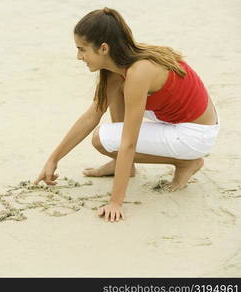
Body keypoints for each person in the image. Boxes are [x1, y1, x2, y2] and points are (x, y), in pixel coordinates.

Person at [34, 7, 220, 222]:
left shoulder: (139, 72)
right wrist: (53, 159)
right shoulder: (118, 68)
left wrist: (116, 202)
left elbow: (129, 142)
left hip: (196, 133)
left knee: (102, 139)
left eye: (82, 49)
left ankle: (186, 162)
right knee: (118, 94)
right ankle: (123, 165)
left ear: (103, 48)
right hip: (179, 119)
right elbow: (91, 115)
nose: (78, 56)